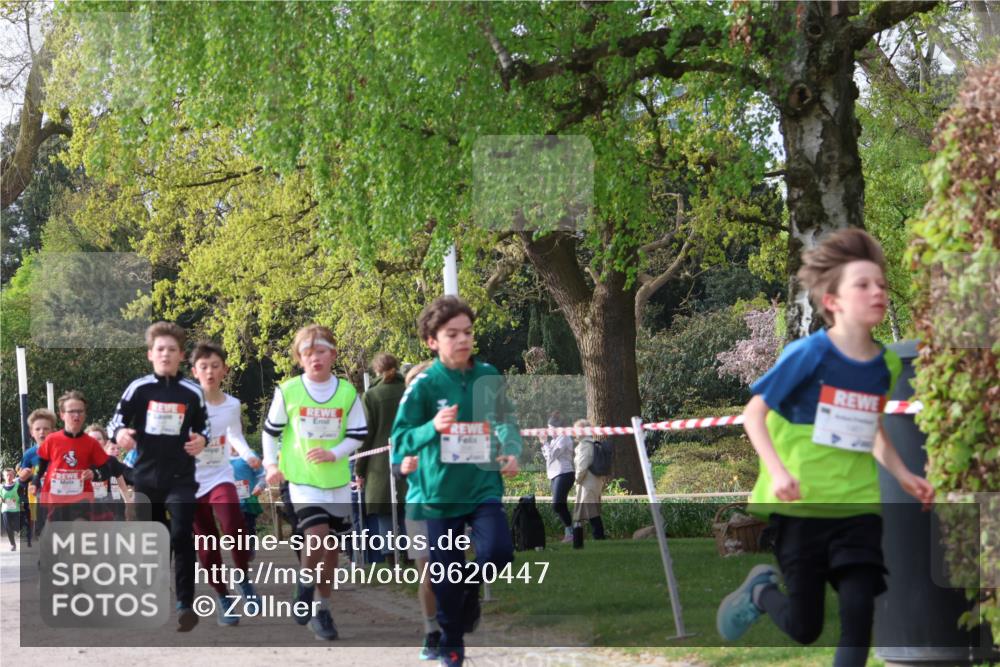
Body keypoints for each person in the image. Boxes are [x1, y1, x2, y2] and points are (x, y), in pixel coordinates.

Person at [715, 229, 935, 667]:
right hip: (802, 509)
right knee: (805, 626)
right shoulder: (807, 354)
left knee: (859, 612)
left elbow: (868, 426)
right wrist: (777, 473)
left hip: (856, 508)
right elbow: (752, 415)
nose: (878, 292)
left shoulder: (886, 363)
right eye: (863, 285)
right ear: (833, 301)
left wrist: (906, 475)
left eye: (882, 284)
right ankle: (761, 592)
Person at [392, 296, 523, 667]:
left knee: (498, 552)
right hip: (439, 495)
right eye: (452, 334)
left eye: (468, 332)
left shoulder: (487, 375)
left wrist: (512, 450)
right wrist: (431, 428)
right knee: (443, 579)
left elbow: (505, 420)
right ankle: (451, 642)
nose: (463, 340)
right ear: (432, 341)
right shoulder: (424, 386)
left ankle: (466, 590)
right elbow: (399, 438)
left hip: (482, 486)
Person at [262, 324, 368, 641]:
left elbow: (358, 435)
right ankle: (305, 585)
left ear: (332, 354)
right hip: (301, 478)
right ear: (299, 357)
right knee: (317, 534)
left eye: (320, 351)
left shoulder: (347, 392)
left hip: (336, 479)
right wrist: (270, 464)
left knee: (332, 549)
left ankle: (323, 609)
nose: (315, 358)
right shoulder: (289, 391)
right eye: (308, 353)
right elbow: (270, 432)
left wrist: (335, 453)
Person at [108, 321, 210, 632]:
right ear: (151, 354)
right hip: (147, 476)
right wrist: (121, 433)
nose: (165, 354)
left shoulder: (192, 392)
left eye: (172, 350)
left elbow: (205, 426)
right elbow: (116, 421)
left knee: (181, 533)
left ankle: (185, 604)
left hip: (180, 476)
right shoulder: (139, 388)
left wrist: (202, 439)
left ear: (182, 356)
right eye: (160, 349)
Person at [189, 340, 261, 625]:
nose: (209, 372)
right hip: (190, 483)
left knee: (235, 526)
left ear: (224, 370)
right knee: (206, 546)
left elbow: (235, 436)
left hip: (220, 475)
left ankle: (242, 576)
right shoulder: (185, 404)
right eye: (203, 367)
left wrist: (248, 454)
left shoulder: (232, 404)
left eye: (215, 366)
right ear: (195, 371)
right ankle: (224, 598)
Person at [392, 359, 440, 660]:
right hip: (419, 507)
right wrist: (404, 466)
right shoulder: (406, 425)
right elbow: (396, 464)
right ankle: (431, 630)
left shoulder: (450, 419)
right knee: (428, 573)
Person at [36, 391, 129, 523]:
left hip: (107, 509)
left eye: (99, 439)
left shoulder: (110, 461)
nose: (96, 443)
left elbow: (122, 483)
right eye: (92, 439)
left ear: (105, 441)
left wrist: (129, 503)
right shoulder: (76, 459)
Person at [356, 352, 407, 565]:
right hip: (410, 455)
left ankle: (389, 556)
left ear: (376, 370)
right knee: (407, 508)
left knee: (385, 511)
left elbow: (365, 436)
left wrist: (359, 470)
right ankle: (411, 554)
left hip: (379, 463)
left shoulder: (371, 396)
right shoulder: (409, 390)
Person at [18, 408, 55, 541]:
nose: (42, 432)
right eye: (38, 429)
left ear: (52, 431)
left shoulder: (61, 449)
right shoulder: (30, 454)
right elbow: (22, 479)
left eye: (46, 428)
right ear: (31, 432)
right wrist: (24, 477)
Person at [540, 412, 575, 543]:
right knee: (559, 505)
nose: (548, 430)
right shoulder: (554, 440)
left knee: (557, 504)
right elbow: (547, 457)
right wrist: (545, 445)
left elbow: (552, 455)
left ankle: (571, 531)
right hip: (554, 475)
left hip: (564, 473)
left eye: (550, 427)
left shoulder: (564, 438)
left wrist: (544, 443)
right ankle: (571, 532)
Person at [571, 419, 607, 541]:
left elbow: (582, 466)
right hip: (593, 482)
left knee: (591, 513)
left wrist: (577, 480)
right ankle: (592, 537)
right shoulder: (592, 443)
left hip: (587, 483)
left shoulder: (584, 446)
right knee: (591, 511)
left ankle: (597, 537)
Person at [229, 450, 266, 559]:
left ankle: (249, 548)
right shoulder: (219, 455)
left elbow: (262, 474)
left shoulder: (249, 455)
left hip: (248, 498)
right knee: (231, 527)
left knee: (248, 525)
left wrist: (260, 486)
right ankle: (238, 550)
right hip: (228, 499)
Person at [1, 469, 23, 550]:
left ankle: (19, 531)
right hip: (5, 510)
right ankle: (13, 544)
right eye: (7, 475)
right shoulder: (1, 487)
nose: (9, 477)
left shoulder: (18, 486)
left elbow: (22, 496)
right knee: (8, 527)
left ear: (14, 476)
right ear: (4, 477)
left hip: (15, 509)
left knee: (17, 526)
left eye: (10, 475)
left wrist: (20, 502)